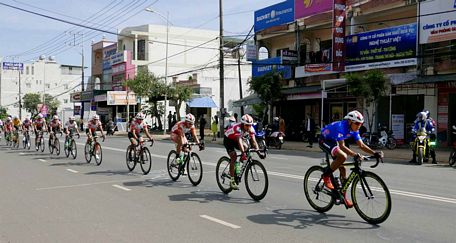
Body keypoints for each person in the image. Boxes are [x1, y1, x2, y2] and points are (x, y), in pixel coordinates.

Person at [319, 110, 383, 208]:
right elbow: (342, 146)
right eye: (357, 123)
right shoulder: (340, 126)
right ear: (350, 121)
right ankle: (326, 176)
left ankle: (343, 197)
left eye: (360, 124)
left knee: (343, 170)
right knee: (343, 156)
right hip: (325, 140)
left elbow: (361, 145)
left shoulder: (354, 130)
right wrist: (355, 155)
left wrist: (374, 153)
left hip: (335, 141)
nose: (359, 126)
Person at [224, 114, 265, 190]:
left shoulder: (251, 128)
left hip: (237, 139)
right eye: (247, 125)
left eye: (250, 125)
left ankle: (237, 167)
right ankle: (232, 181)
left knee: (246, 147)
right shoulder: (238, 128)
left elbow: (254, 141)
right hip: (229, 139)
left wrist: (259, 153)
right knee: (234, 156)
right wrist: (243, 153)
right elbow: (239, 141)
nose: (248, 127)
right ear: (242, 124)